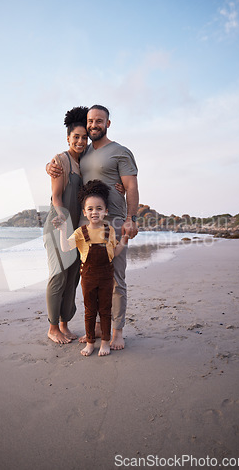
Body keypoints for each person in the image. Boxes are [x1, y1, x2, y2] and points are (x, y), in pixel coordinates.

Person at [47, 105, 139, 350]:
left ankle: (117, 332)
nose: (94, 124)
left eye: (100, 120)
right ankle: (98, 326)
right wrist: (50, 166)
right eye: (90, 121)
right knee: (90, 277)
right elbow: (65, 163)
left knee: (116, 278)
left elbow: (131, 187)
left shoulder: (120, 152)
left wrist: (131, 218)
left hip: (115, 221)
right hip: (86, 225)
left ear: (108, 123)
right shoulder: (83, 152)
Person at [58, 180, 128, 356]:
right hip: (88, 276)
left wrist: (125, 240)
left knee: (105, 310)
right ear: (84, 212)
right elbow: (66, 248)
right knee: (89, 311)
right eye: (90, 209)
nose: (94, 212)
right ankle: (90, 342)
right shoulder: (81, 232)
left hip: (106, 276)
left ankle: (105, 342)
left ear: (106, 211)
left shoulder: (109, 230)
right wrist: (62, 229)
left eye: (98, 208)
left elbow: (115, 252)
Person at [43, 106, 89, 344]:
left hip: (77, 229)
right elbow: (57, 198)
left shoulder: (84, 163)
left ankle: (64, 325)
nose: (80, 141)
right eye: (76, 137)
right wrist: (64, 228)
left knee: (73, 277)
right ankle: (52, 328)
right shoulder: (60, 160)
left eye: (84, 137)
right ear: (68, 138)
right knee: (59, 275)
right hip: (58, 224)